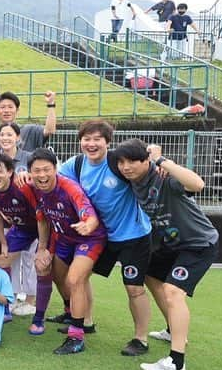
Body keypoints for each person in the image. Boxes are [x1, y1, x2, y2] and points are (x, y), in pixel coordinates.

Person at [114, 139, 219, 370]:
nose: (126, 167)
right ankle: (173, 329)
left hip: (198, 243)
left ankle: (176, 361)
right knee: (150, 275)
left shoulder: (163, 176)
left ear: (146, 161)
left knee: (173, 291)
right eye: (121, 162)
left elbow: (198, 184)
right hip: (170, 245)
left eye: (132, 161)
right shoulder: (133, 181)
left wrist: (163, 161)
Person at [59, 120, 154, 357]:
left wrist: (157, 159)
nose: (91, 144)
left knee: (134, 288)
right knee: (80, 277)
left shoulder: (117, 162)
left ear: (107, 143)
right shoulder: (77, 164)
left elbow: (143, 159)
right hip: (103, 235)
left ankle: (141, 338)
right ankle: (86, 321)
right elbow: (54, 179)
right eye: (86, 139)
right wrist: (26, 176)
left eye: (97, 139)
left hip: (134, 235)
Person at [27, 148, 106, 356]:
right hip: (63, 239)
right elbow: (42, 218)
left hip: (88, 239)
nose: (42, 175)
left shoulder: (70, 188)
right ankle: (71, 312)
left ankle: (76, 336)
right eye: (37, 171)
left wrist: (89, 225)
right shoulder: (34, 188)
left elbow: (88, 213)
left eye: (46, 170)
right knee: (57, 276)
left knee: (75, 280)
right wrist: (42, 248)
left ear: (55, 169)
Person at [0, 152, 49, 328]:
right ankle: (6, 307)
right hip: (20, 229)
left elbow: (42, 217)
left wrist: (42, 246)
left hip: (44, 227)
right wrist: (2, 242)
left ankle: (37, 310)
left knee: (44, 265)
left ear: (10, 171)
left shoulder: (23, 186)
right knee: (1, 259)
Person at [0, 91, 57, 162]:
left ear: (17, 110)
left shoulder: (30, 130)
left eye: (10, 107)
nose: (6, 111)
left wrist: (51, 104)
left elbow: (50, 130)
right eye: (2, 107)